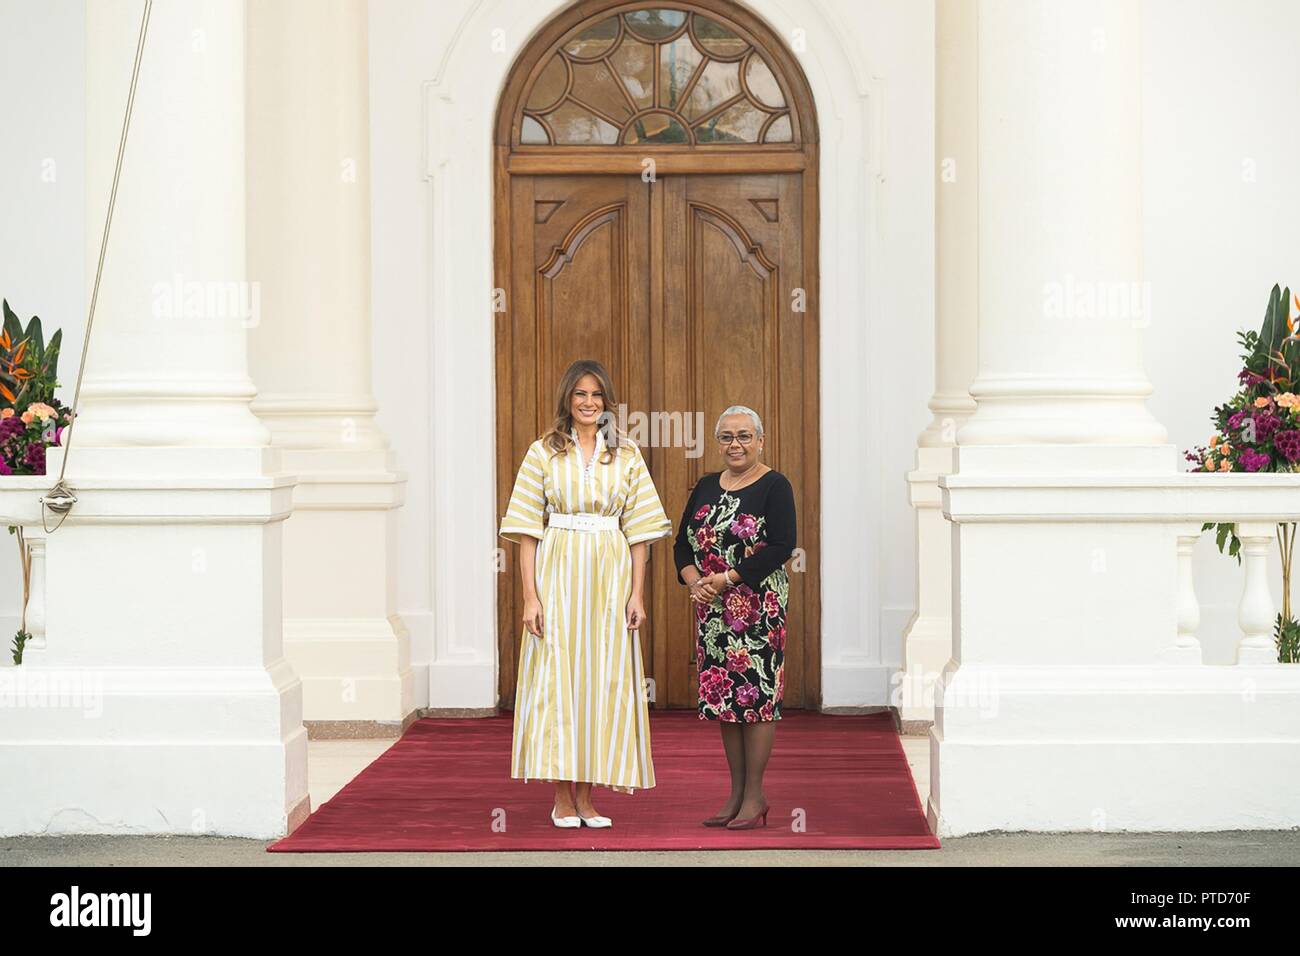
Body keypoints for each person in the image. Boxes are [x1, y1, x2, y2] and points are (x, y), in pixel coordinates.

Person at [499, 359, 672, 828]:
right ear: (567, 400)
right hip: (558, 571)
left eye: (596, 395)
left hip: (610, 574)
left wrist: (636, 595)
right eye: (580, 394)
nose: (588, 403)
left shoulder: (627, 454)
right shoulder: (543, 453)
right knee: (560, 675)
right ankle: (561, 795)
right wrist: (530, 598)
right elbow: (525, 531)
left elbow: (640, 532)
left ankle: (589, 796)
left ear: (607, 402)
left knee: (605, 679)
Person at [673, 405, 796, 829]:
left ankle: (756, 794)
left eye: (744, 436)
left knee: (756, 699)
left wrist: (726, 578)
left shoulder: (774, 485)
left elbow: (782, 546)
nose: (735, 444)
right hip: (713, 611)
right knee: (725, 698)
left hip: (758, 609)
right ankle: (736, 793)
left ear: (760, 440)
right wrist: (696, 582)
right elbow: (681, 546)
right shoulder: (707, 485)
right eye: (726, 437)